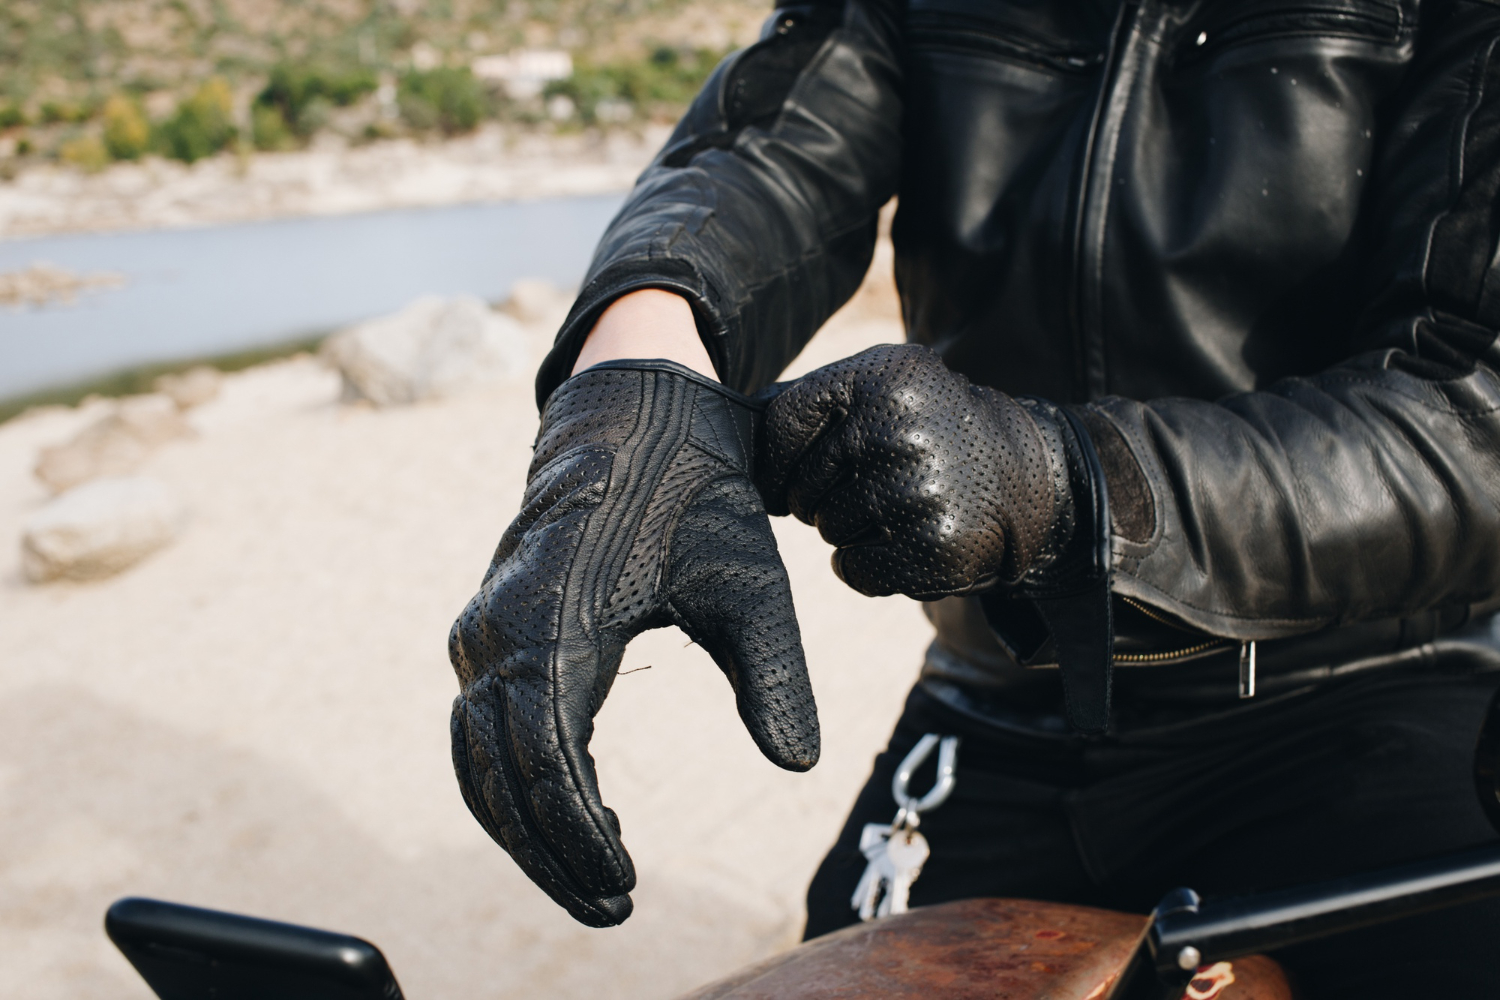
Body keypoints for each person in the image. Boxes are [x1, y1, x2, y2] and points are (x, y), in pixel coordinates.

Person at [446, 0, 1500, 994]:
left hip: (1372, 687)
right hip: (996, 694)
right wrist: (632, 388)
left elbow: (1474, 405)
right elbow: (771, 148)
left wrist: (1066, 479)